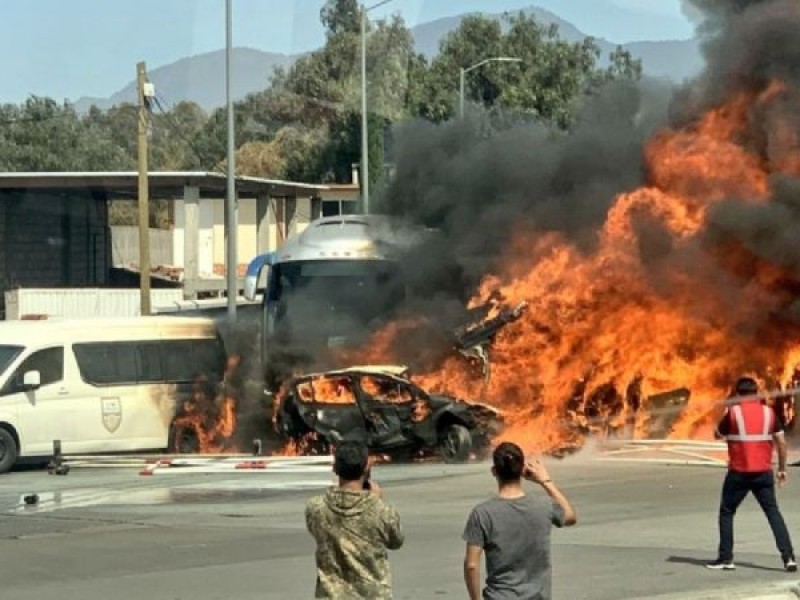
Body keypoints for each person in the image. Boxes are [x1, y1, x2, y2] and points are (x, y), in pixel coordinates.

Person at [463, 441, 577, 600]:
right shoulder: (543, 505)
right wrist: (546, 482)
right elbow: (570, 517)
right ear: (523, 469)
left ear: (494, 471)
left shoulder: (482, 513)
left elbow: (471, 565)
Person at [707, 376, 796, 572]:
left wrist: (724, 412)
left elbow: (718, 434)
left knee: (727, 512)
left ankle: (726, 559)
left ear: (738, 394)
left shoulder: (734, 413)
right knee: (773, 513)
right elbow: (781, 443)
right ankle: (788, 557)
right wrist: (782, 469)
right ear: (757, 393)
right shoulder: (769, 413)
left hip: (739, 473)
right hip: (763, 472)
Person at [305, 440, 404, 599]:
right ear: (366, 467)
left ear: (335, 468)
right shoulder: (381, 511)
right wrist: (376, 501)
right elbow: (396, 541)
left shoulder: (315, 508)